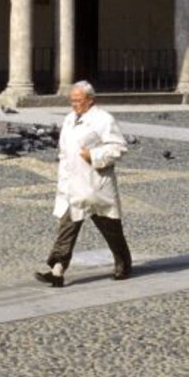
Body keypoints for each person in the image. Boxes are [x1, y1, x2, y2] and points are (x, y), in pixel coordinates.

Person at [34, 81, 133, 288]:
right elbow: (64, 151)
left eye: (78, 101)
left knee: (110, 227)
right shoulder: (69, 119)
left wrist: (94, 155)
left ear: (90, 100)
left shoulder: (103, 119)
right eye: (72, 101)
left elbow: (119, 147)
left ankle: (123, 263)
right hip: (72, 184)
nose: (74, 105)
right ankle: (57, 271)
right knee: (67, 227)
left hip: (95, 183)